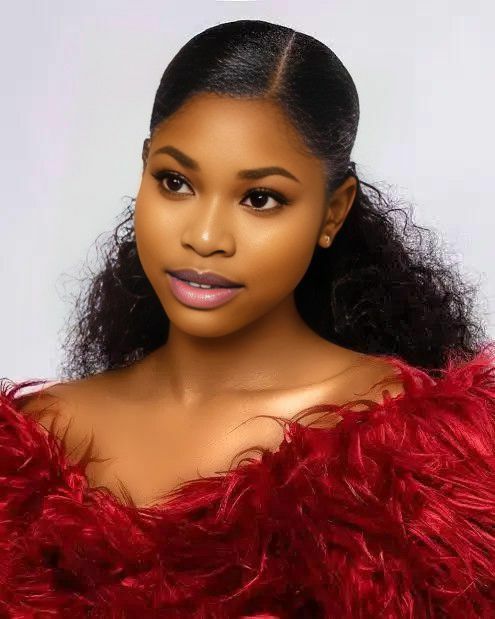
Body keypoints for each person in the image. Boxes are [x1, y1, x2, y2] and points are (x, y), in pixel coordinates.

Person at [1, 18, 494, 618]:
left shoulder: (423, 462)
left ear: (333, 211)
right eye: (175, 182)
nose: (206, 237)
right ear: (143, 170)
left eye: (260, 199)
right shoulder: (27, 444)